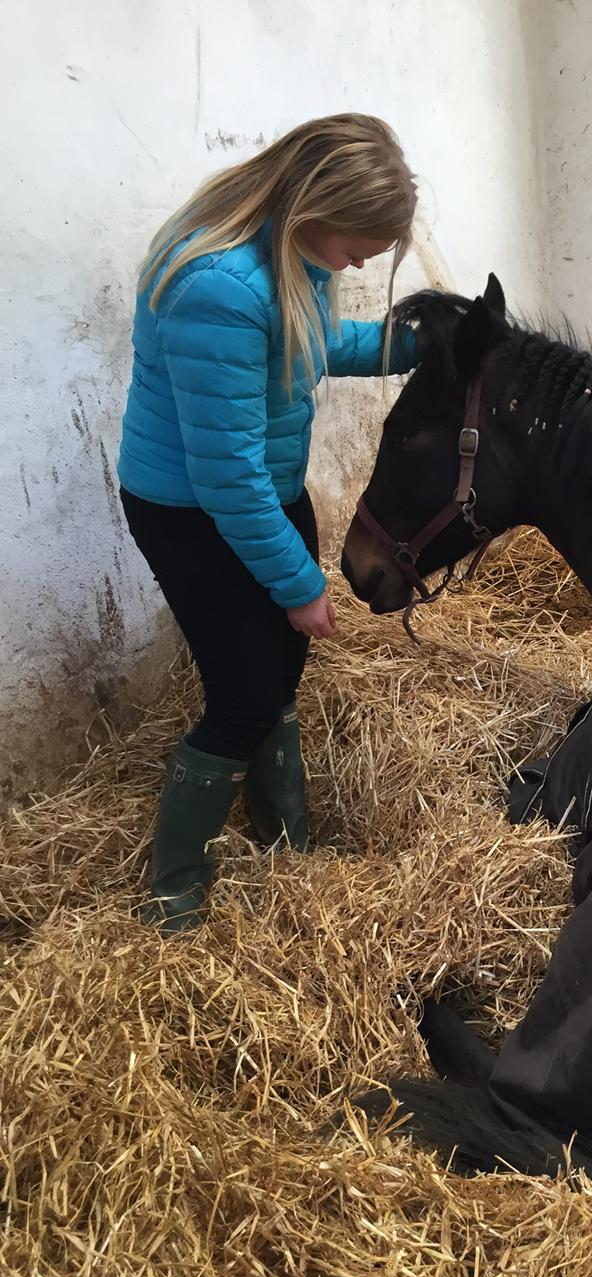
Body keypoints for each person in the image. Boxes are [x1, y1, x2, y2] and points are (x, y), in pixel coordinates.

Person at [117, 114, 418, 935]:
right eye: (358, 245)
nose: (358, 263)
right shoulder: (217, 283)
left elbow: (319, 344)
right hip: (193, 511)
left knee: (280, 672)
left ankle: (286, 843)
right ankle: (173, 896)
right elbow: (224, 478)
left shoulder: (288, 254)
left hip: (263, 489)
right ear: (319, 203)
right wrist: (299, 584)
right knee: (246, 695)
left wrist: (420, 344)